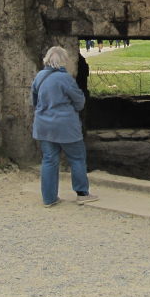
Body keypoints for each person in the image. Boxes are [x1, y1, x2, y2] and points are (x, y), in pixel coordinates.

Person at [31, 46, 99, 207]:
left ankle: (49, 198)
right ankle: (82, 193)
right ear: (63, 61)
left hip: (44, 126)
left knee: (49, 160)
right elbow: (79, 102)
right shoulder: (65, 78)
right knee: (76, 158)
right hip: (66, 126)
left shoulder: (39, 77)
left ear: (47, 59)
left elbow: (33, 101)